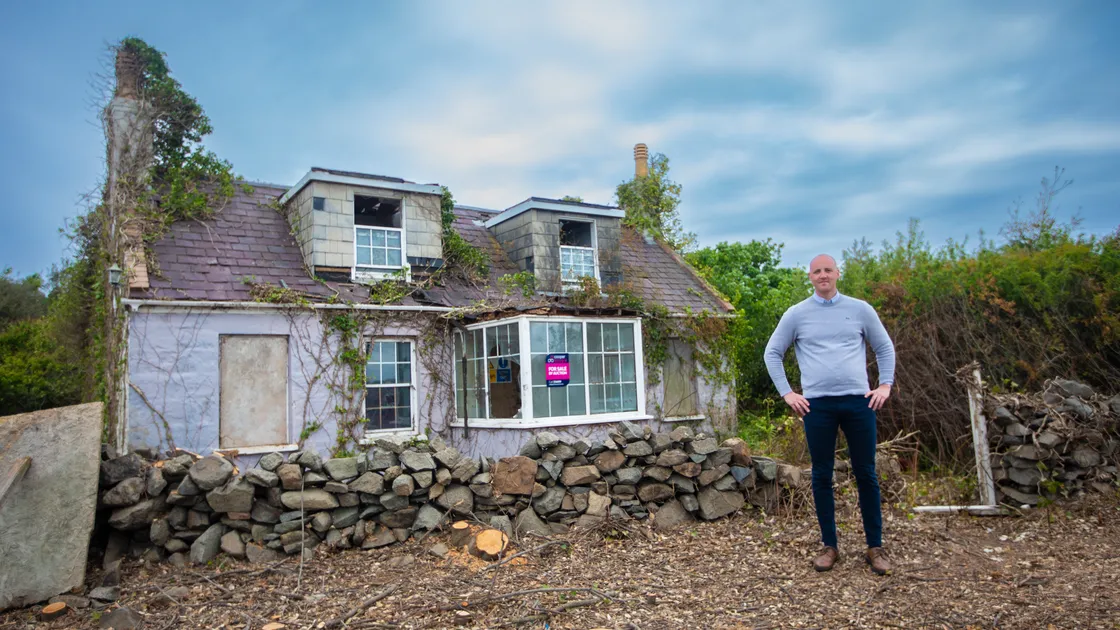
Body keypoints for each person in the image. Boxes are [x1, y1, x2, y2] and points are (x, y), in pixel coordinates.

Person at [763, 254, 896, 575]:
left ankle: (875, 548)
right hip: (817, 406)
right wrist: (788, 393)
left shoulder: (860, 309)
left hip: (858, 403)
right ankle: (829, 546)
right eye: (817, 271)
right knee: (821, 475)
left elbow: (885, 348)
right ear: (809, 276)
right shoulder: (796, 314)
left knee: (866, 473)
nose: (823, 275)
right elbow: (772, 352)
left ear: (838, 273)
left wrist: (885, 386)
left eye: (828, 270)